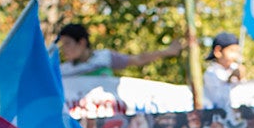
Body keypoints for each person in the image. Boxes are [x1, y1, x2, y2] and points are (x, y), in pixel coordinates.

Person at [56, 23, 184, 79]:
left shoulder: (105, 57)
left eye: (67, 44)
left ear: (81, 42)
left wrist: (167, 51)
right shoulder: (61, 71)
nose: (64, 50)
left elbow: (138, 59)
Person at [202, 31, 242, 110]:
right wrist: (230, 78)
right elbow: (219, 99)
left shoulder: (235, 67)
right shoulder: (211, 73)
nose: (235, 56)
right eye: (232, 51)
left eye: (237, 52)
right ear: (218, 51)